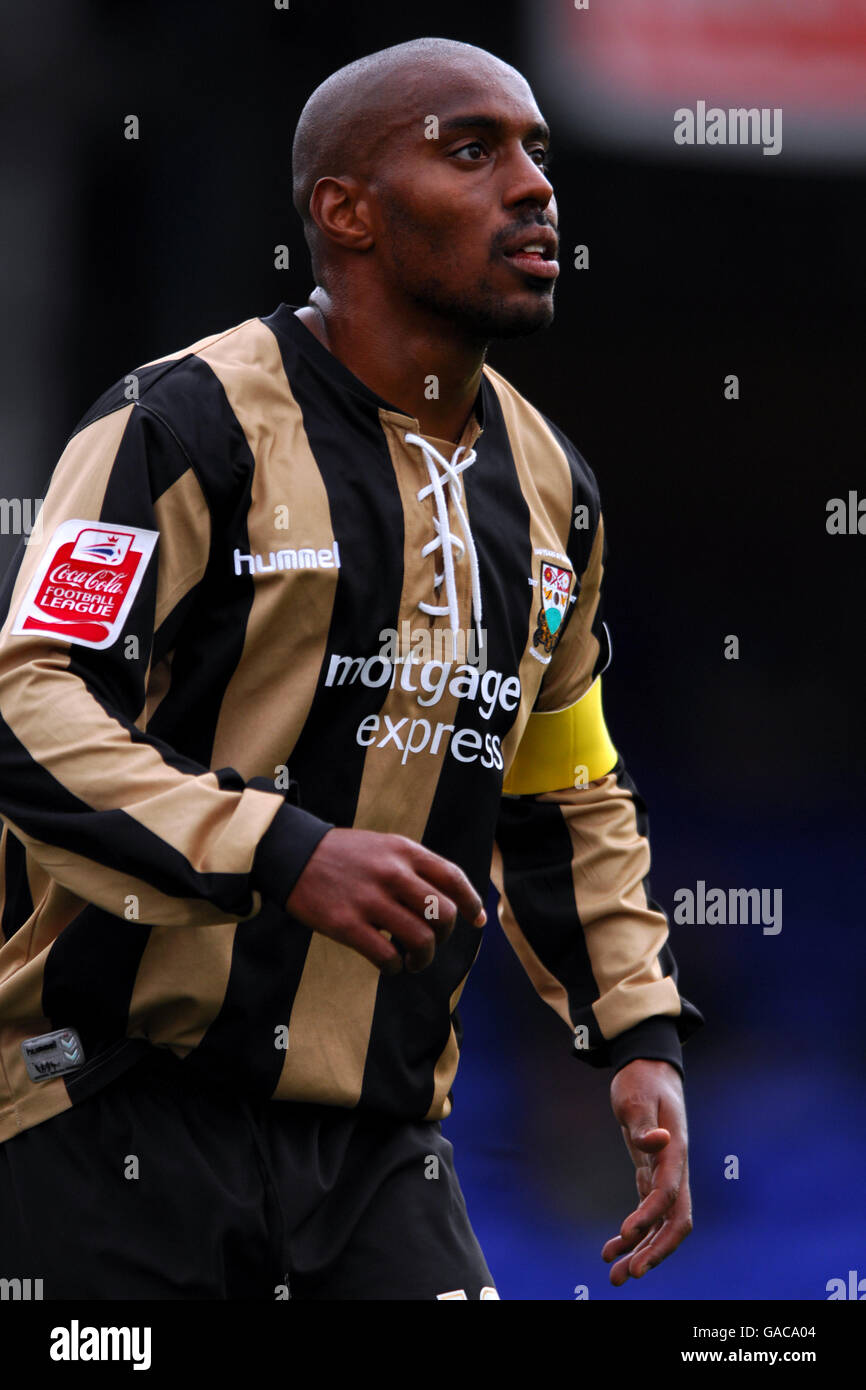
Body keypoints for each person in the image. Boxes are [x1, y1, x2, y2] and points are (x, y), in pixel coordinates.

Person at [0, 37, 702, 1300]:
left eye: (538, 152)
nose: (535, 186)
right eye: (474, 150)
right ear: (345, 211)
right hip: (107, 1103)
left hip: (373, 1152)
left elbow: (562, 783)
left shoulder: (554, 491)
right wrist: (285, 851)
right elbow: (29, 705)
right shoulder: (179, 423)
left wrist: (635, 1036)